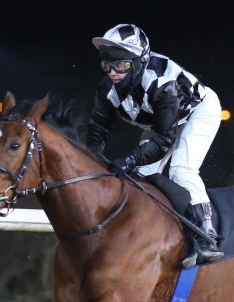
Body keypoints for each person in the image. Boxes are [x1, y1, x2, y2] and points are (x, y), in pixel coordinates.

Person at [86, 23, 224, 268]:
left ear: (138, 62)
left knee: (181, 169)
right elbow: (98, 130)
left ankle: (206, 235)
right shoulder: (106, 89)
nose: (112, 72)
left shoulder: (162, 84)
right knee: (144, 177)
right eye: (107, 65)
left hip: (197, 111)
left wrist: (128, 160)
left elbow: (164, 141)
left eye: (120, 64)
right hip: (162, 123)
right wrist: (90, 161)